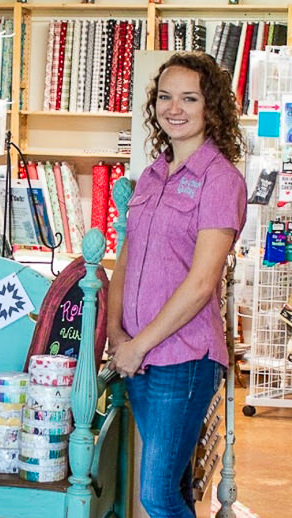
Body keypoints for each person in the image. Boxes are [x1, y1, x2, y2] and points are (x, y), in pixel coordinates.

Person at [107, 52, 247, 518]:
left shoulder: (220, 180)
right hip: (138, 356)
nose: (175, 108)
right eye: (165, 96)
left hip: (182, 358)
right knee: (176, 486)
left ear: (212, 107)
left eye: (190, 98)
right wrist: (116, 334)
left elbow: (202, 281)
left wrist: (138, 344)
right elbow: (124, 260)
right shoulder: (151, 176)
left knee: (156, 495)